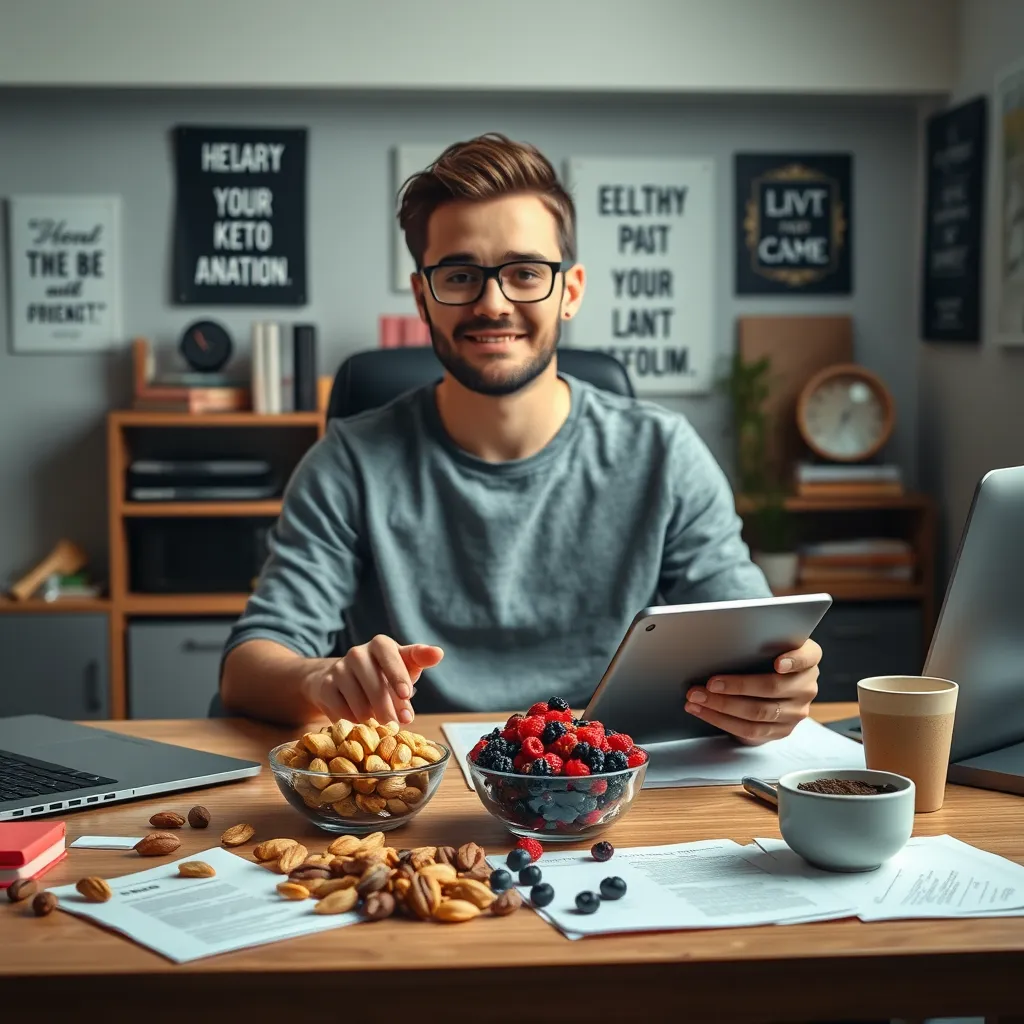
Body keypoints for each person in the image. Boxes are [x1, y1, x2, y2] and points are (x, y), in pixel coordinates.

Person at [220, 132, 822, 742]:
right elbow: (248, 668)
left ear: (571, 291)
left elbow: (752, 639)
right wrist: (319, 679)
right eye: (459, 276)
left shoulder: (665, 453)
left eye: (526, 272)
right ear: (422, 298)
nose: (493, 303)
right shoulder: (347, 462)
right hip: (416, 788)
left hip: (603, 775)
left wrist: (776, 683)